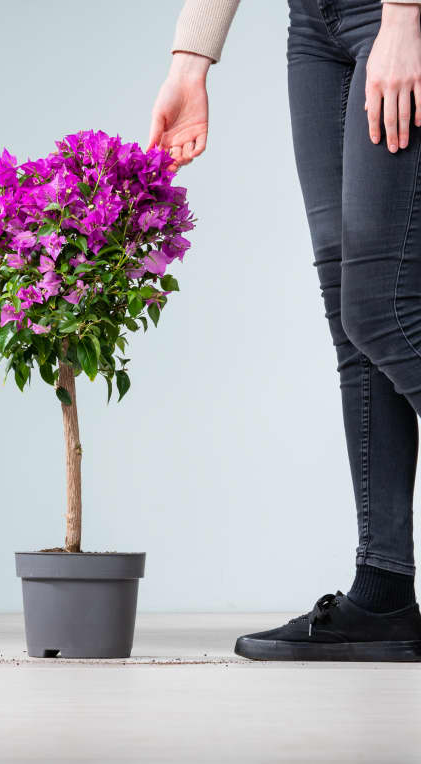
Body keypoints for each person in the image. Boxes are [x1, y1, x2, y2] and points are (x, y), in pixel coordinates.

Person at [149, 0, 421, 661]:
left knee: (381, 308)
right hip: (314, 27)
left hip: (390, 14)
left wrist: (405, 15)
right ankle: (383, 592)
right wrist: (191, 61)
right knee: (350, 315)